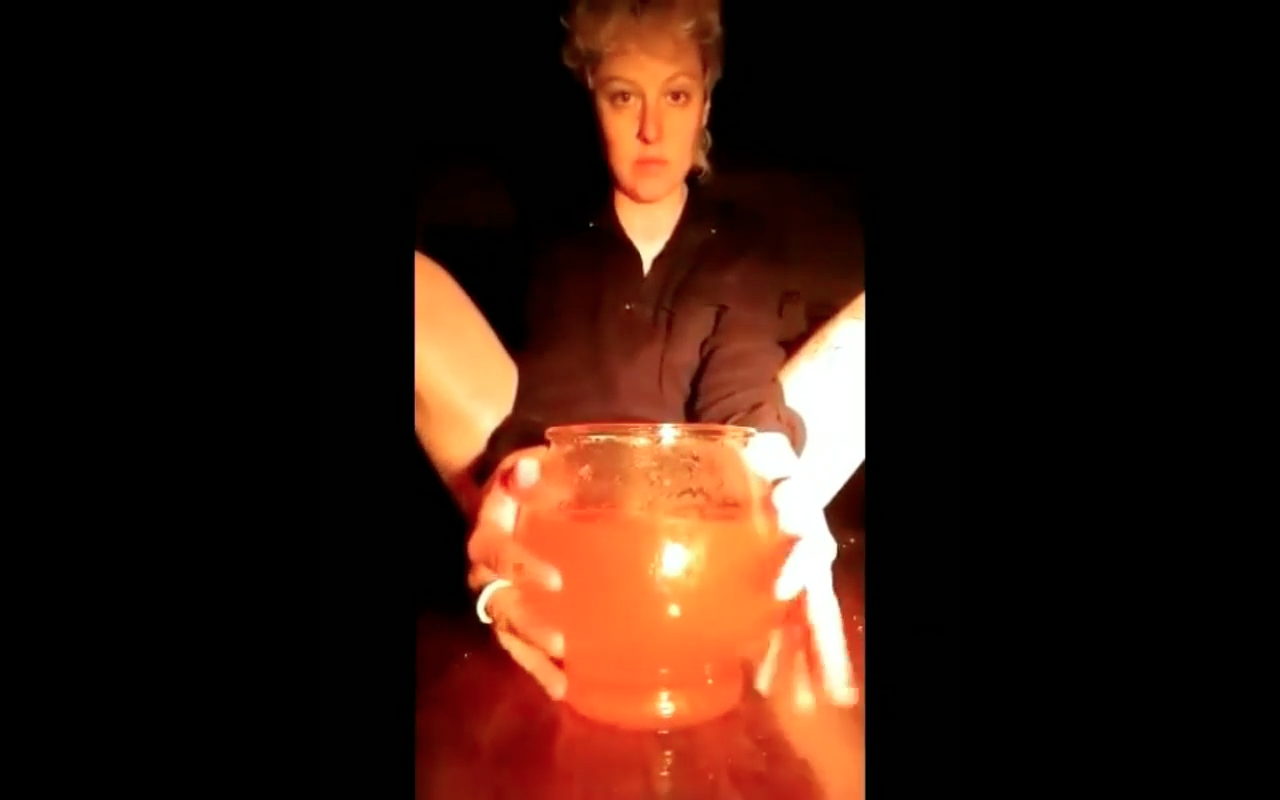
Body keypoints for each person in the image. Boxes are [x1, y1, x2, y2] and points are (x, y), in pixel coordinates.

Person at [415, 0, 865, 710]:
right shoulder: (559, 239)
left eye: (676, 96)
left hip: (709, 508)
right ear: (593, 101)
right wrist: (521, 494)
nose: (651, 129)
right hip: (571, 514)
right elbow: (550, 404)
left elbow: (743, 400)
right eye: (624, 97)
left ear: (705, 101)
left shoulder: (740, 245)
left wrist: (773, 481)